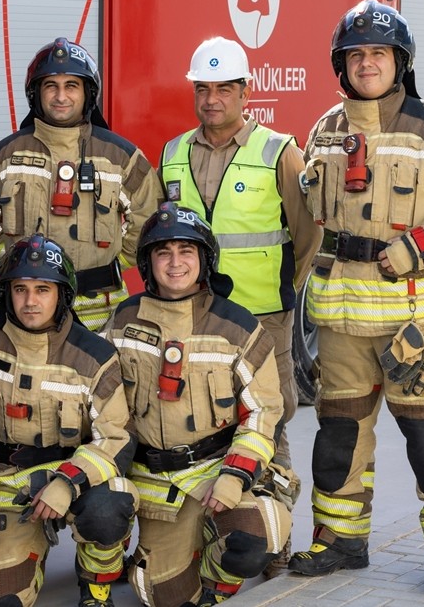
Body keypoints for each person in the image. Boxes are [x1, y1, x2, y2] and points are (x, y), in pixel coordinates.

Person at [288, 0, 424, 595]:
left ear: (399, 61)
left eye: (378, 53)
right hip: (340, 322)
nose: (367, 64)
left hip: (415, 319)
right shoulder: (326, 130)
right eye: (355, 54)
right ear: (341, 64)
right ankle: (340, 541)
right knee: (338, 439)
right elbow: (314, 218)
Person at [157, 36, 320, 570]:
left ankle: (275, 537)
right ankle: (213, 525)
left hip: (260, 317)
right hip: (193, 316)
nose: (211, 99)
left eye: (223, 88)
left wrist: (281, 294)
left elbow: (305, 234)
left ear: (245, 91)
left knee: (268, 422)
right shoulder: (173, 153)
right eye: (202, 88)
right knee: (203, 416)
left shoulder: (279, 151)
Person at [107, 203, 291, 606]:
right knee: (165, 596)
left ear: (204, 259)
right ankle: (183, 553)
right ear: (148, 262)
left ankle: (217, 584)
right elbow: (103, 408)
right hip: (154, 482)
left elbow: (264, 412)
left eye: (186, 251)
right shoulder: (122, 321)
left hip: (216, 470)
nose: (175, 263)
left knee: (255, 536)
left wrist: (235, 476)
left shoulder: (238, 326)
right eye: (163, 252)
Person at [0, 234, 138, 607]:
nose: (30, 301)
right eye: (20, 289)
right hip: (7, 483)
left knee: (109, 506)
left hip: (76, 475)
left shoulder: (95, 354)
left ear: (62, 295)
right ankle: (24, 552)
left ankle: (96, 585)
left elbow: (115, 437)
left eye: (43, 289)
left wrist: (68, 483)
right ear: (6, 293)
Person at [0, 38, 164, 332]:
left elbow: (149, 218)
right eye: (51, 86)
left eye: (71, 85)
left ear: (87, 93)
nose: (61, 96)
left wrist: (112, 263)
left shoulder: (122, 156)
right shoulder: (5, 155)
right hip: (25, 307)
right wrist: (13, 258)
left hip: (100, 309)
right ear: (36, 93)